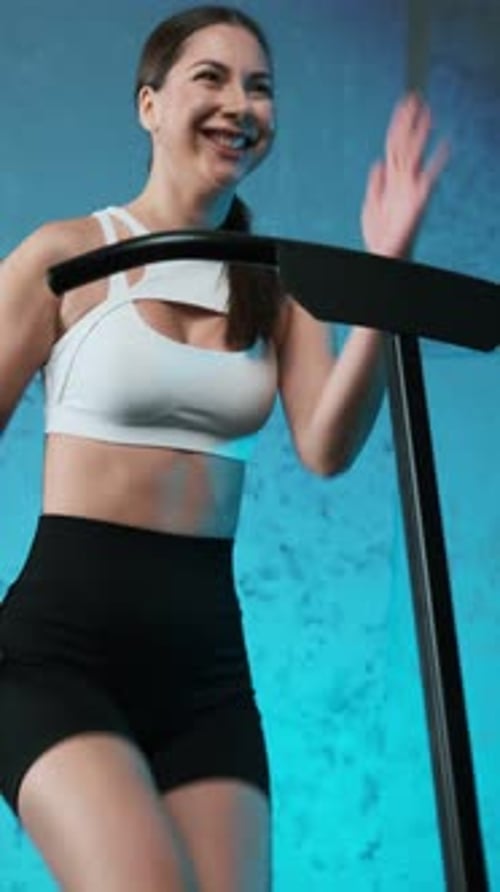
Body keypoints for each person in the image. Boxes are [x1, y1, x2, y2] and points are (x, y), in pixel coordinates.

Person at [0, 5, 447, 891]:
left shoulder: (277, 286)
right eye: (211, 77)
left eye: (260, 87)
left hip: (203, 668)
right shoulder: (68, 256)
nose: (240, 104)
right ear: (150, 104)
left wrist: (387, 271)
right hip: (56, 654)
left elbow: (327, 445)